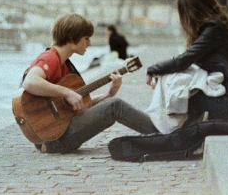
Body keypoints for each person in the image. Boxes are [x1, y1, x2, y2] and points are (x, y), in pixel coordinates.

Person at [22, 13, 158, 153]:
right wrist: (67, 92)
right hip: (56, 139)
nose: (89, 43)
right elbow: (30, 82)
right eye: (86, 38)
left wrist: (109, 93)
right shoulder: (50, 57)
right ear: (71, 38)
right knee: (115, 105)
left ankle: (159, 132)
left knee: (112, 102)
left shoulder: (65, 65)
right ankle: (162, 133)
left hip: (58, 132)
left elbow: (79, 103)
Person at [146, 0, 228, 123]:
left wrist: (153, 69)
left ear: (192, 12)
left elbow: (184, 61)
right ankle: (176, 131)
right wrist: (162, 80)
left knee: (179, 94)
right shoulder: (215, 29)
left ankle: (171, 132)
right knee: (178, 90)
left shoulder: (214, 29)